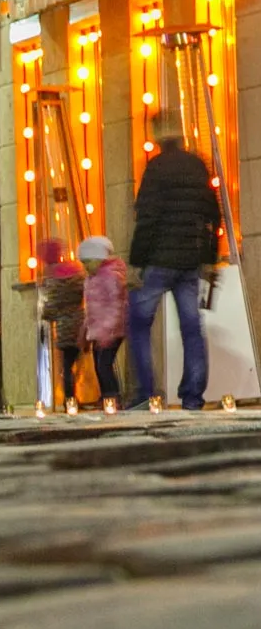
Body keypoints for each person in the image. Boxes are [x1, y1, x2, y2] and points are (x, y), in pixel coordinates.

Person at [127, 116, 222, 410]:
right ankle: (192, 396)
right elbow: (213, 214)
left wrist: (136, 262)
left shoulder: (155, 169)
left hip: (158, 259)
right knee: (192, 328)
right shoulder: (197, 166)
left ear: (156, 135)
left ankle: (145, 393)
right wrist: (208, 258)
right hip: (189, 261)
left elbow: (148, 218)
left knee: (138, 323)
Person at [39, 239, 89, 405]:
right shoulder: (76, 272)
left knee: (66, 367)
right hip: (80, 322)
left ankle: (70, 399)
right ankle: (80, 395)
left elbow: (51, 306)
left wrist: (44, 315)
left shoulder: (52, 278)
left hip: (64, 327)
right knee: (77, 362)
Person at [79, 235, 127, 407]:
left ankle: (112, 396)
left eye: (87, 262)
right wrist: (85, 330)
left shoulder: (110, 277)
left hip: (112, 330)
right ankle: (107, 396)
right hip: (97, 331)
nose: (85, 267)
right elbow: (90, 308)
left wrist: (108, 331)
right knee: (99, 365)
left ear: (99, 259)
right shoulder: (91, 279)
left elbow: (116, 306)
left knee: (104, 364)